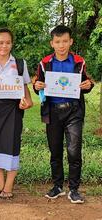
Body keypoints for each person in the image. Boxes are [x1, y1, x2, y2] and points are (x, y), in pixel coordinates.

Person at [33, 25, 94, 204]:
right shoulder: (44, 63)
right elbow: (39, 84)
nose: (61, 45)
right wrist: (37, 87)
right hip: (52, 111)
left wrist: (88, 85)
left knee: (74, 150)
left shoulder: (79, 61)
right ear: (52, 43)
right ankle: (57, 186)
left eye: (65, 41)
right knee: (55, 150)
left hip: (74, 111)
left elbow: (87, 82)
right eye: (58, 42)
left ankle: (74, 189)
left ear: (71, 42)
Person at [0, 28, 33, 199]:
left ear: (12, 44)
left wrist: (27, 102)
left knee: (12, 145)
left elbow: (25, 90)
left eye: (8, 42)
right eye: (1, 42)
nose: (4, 46)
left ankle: (8, 186)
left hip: (14, 110)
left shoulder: (20, 63)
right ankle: (0, 184)